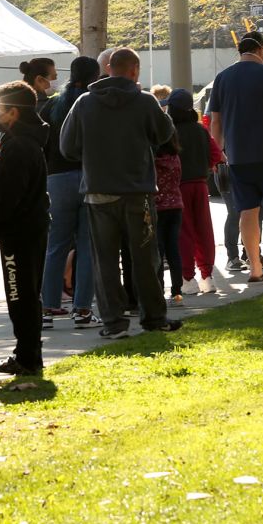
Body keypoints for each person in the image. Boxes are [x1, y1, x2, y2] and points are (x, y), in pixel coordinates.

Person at [60, 48, 182, 338]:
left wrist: (92, 155)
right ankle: (154, 317)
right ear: (134, 70)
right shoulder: (145, 102)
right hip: (137, 191)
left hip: (98, 190)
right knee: (145, 258)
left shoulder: (84, 102)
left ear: (109, 68)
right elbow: (164, 134)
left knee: (104, 261)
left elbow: (67, 147)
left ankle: (113, 323)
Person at [206, 32, 263, 283]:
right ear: (262, 49)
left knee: (247, 210)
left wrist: (220, 153)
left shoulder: (222, 78)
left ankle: (256, 269)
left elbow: (215, 120)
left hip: (237, 157)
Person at [0, 81, 51, 375]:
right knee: (26, 295)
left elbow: (10, 195)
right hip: (27, 229)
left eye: (0, 109)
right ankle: (27, 354)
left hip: (19, 233)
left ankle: (26, 357)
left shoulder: (20, 146)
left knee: (20, 296)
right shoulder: (21, 141)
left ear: (13, 112)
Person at [41, 56, 101, 329]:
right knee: (88, 247)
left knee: (55, 245)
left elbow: (42, 145)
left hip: (56, 179)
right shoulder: (96, 105)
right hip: (90, 177)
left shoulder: (53, 105)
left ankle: (48, 306)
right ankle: (82, 308)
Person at [167, 89, 222, 295]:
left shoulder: (170, 131)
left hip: (178, 186)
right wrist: (206, 165)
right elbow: (216, 154)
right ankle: (207, 276)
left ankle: (187, 278)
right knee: (204, 230)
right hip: (200, 184)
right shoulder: (201, 130)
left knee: (184, 232)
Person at [153, 127, 185, 306]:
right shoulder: (176, 158)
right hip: (176, 205)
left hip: (158, 207)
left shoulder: (154, 161)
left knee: (158, 250)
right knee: (174, 249)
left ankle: (159, 287)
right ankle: (177, 290)